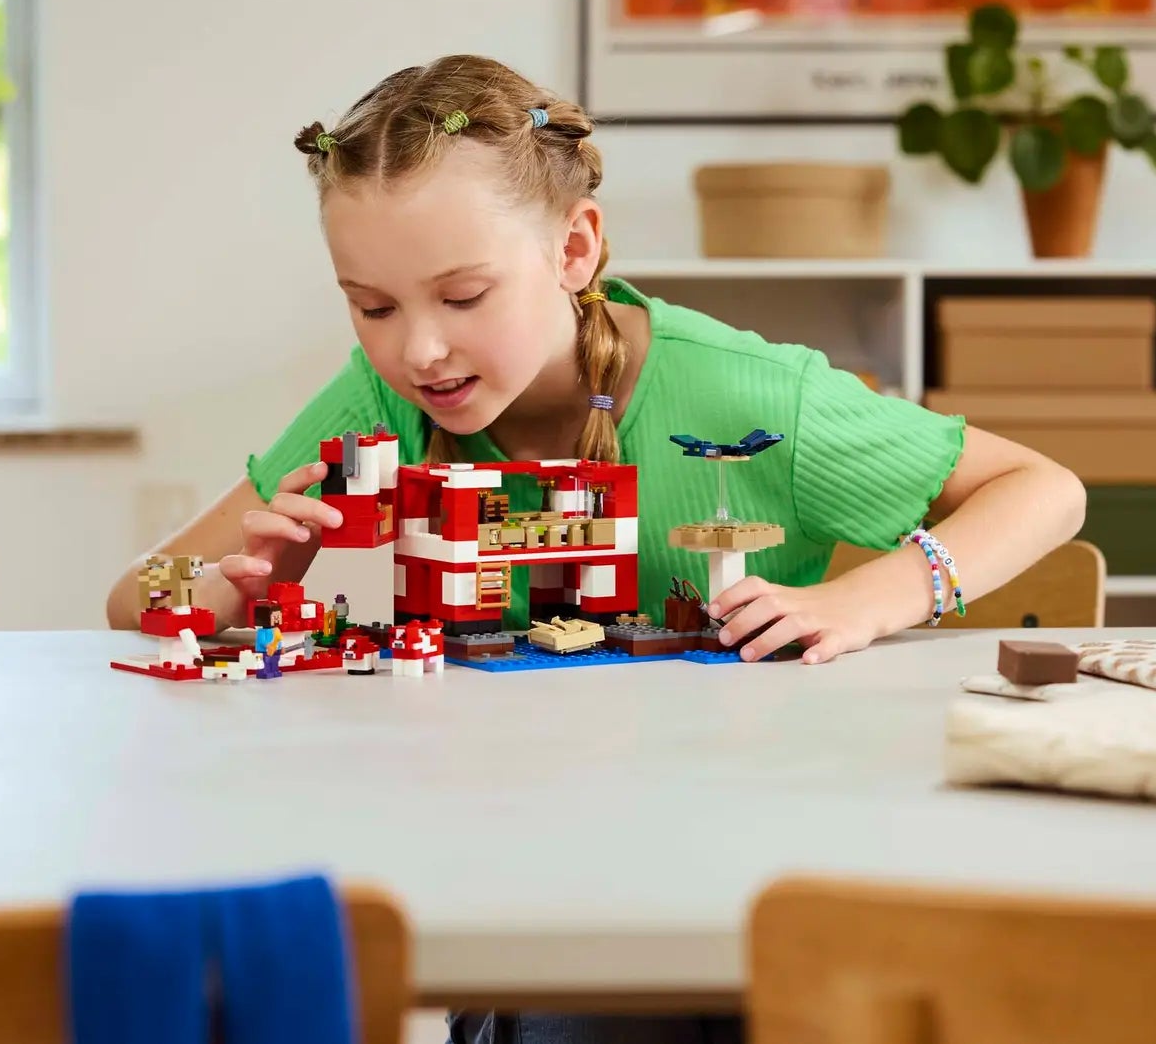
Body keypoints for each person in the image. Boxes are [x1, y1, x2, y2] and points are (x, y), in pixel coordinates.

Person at [103, 53, 1086, 1042]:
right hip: (526, 883)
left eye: (463, 294)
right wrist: (241, 583)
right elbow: (134, 597)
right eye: (374, 306)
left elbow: (1045, 489)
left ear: (574, 250)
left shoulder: (749, 396)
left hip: (756, 859)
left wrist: (868, 598)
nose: (419, 351)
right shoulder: (380, 401)